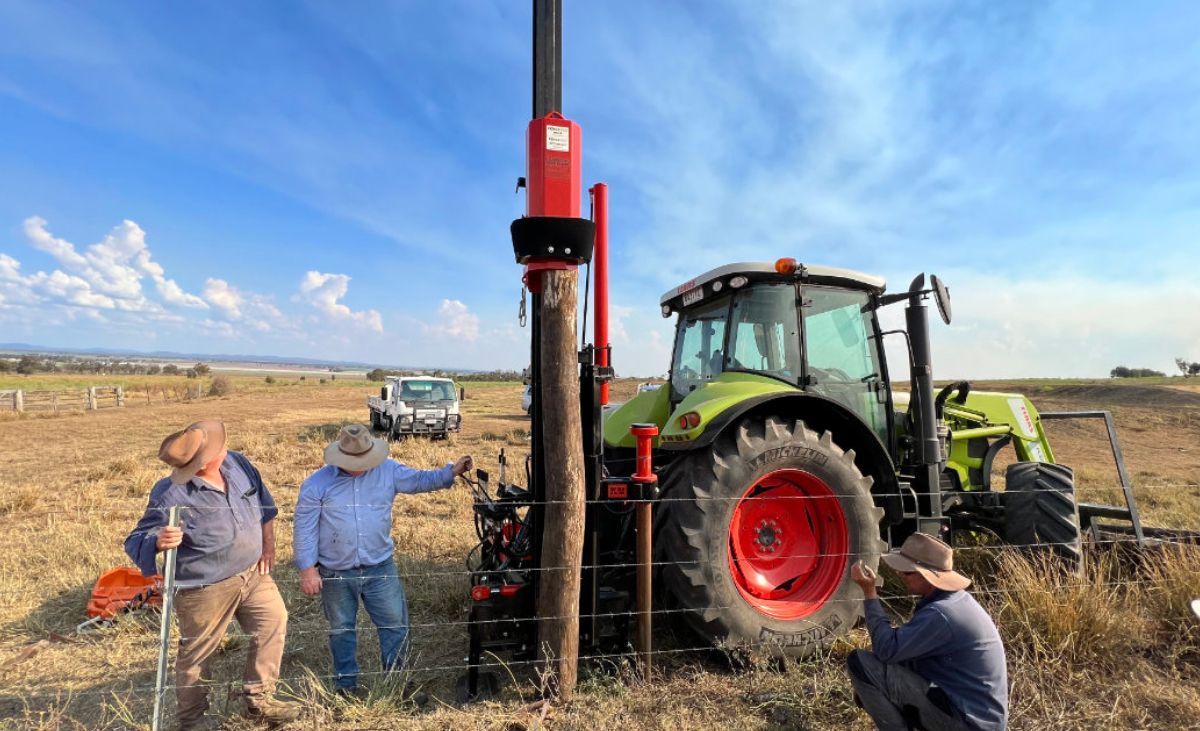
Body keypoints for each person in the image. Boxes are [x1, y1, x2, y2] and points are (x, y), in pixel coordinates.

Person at [125, 420, 300, 730]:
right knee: (197, 654)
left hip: (253, 573)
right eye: (217, 450)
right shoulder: (171, 494)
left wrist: (268, 548)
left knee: (273, 623)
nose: (224, 451)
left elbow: (266, 507)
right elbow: (136, 538)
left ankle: (259, 701)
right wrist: (157, 540)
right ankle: (192, 721)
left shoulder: (239, 464)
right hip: (203, 589)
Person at [293, 423, 472, 698]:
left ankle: (398, 685)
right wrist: (307, 569)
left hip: (380, 567)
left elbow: (420, 480)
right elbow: (304, 527)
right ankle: (346, 688)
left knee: (395, 626)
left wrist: (451, 473)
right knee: (341, 630)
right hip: (336, 571)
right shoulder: (317, 484)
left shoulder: (387, 471)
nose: (361, 465)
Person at [847, 533, 1008, 731]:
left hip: (967, 723)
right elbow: (906, 654)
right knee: (875, 673)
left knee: (861, 664)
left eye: (906, 572)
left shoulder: (941, 614)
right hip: (970, 716)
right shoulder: (953, 602)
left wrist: (870, 593)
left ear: (928, 576)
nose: (899, 575)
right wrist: (872, 688)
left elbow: (886, 649)